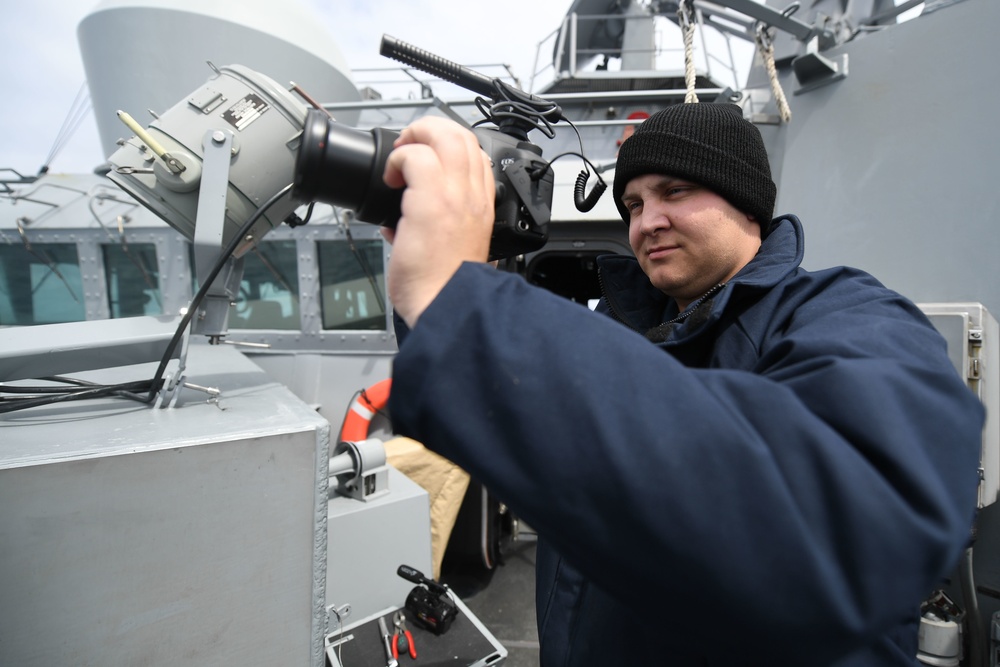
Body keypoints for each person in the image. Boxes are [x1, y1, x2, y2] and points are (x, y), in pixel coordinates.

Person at [380, 103, 984, 666]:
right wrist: (433, 311)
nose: (648, 222)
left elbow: (841, 535)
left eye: (676, 192)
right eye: (635, 205)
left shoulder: (855, 315)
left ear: (747, 205)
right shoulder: (619, 328)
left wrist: (463, 313)